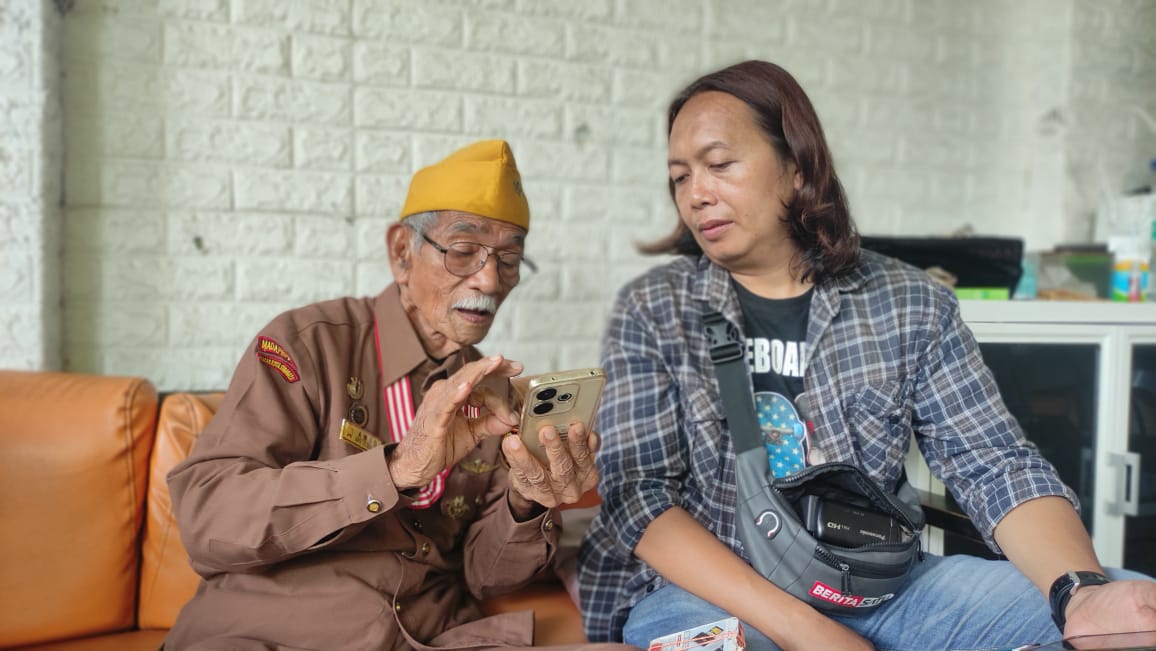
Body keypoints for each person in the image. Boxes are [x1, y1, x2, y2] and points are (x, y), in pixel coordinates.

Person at [577, 60, 1156, 651]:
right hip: (714, 594)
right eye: (679, 177)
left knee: (1131, 611)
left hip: (886, 592)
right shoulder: (653, 308)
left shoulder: (911, 303)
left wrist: (1079, 593)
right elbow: (638, 498)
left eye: (720, 165)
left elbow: (993, 464)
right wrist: (813, 633)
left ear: (796, 167)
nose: (697, 195)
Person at [165, 140, 634, 651]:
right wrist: (396, 468)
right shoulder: (309, 343)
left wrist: (527, 500)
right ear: (401, 252)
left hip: (428, 637)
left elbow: (485, 576)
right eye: (463, 251)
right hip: (277, 635)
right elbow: (208, 516)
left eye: (510, 260)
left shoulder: (490, 393)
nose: (489, 279)